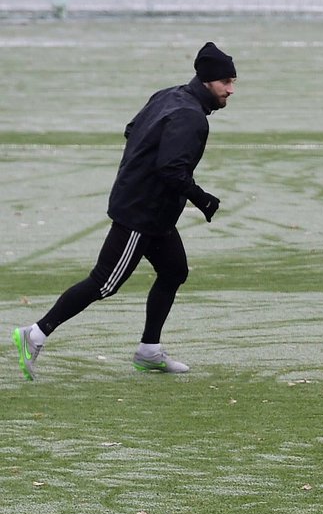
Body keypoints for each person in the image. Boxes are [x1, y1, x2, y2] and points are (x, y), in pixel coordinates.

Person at [12, 42, 237, 380]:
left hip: (154, 211)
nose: (230, 90)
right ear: (207, 81)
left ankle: (149, 351)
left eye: (233, 82)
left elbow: (132, 130)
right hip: (142, 213)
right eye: (226, 83)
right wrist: (203, 198)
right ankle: (35, 334)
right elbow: (171, 170)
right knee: (104, 283)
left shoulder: (168, 95)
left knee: (174, 271)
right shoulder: (190, 117)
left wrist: (140, 168)